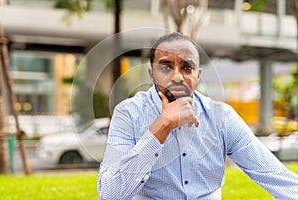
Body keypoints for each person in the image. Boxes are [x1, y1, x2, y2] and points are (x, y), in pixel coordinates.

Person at [98, 32, 298, 199]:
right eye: (166, 67)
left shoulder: (222, 116)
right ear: (151, 74)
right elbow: (109, 194)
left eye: (187, 67)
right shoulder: (129, 113)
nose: (177, 76)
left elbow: (274, 175)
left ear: (198, 75)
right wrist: (162, 126)